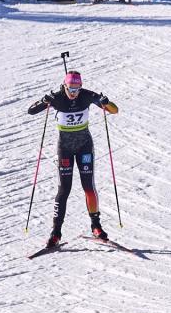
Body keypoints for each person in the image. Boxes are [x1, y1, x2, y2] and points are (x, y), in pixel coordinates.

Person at [26, 71, 120, 249]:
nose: (74, 92)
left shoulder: (86, 95)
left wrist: (106, 103)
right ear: (65, 86)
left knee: (89, 187)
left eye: (77, 88)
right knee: (64, 190)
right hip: (65, 150)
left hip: (84, 146)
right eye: (71, 89)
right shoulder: (58, 98)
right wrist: (44, 101)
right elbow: (31, 111)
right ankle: (56, 233)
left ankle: (96, 226)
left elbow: (114, 111)